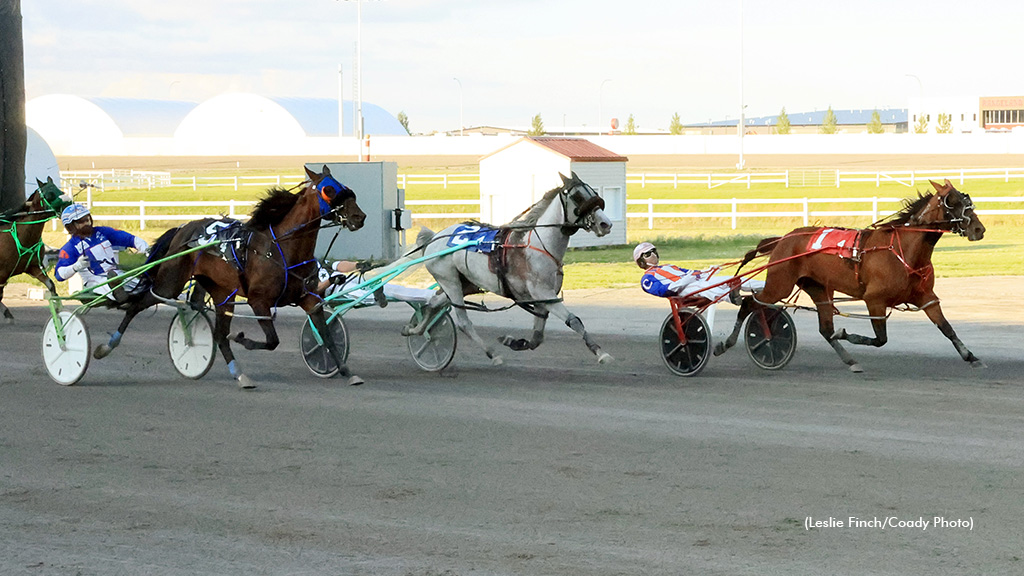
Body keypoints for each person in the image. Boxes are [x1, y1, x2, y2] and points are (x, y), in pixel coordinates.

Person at [54, 204, 150, 302]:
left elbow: (130, 239)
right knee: (106, 283)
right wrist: (76, 266)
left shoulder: (103, 232)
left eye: (87, 219)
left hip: (117, 273)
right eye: (81, 221)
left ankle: (123, 289)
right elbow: (59, 275)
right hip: (95, 280)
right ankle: (117, 292)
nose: (86, 223)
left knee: (143, 285)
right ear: (71, 226)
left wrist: (146, 250)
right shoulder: (69, 248)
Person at [633, 241, 763, 303]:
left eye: (654, 251)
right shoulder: (647, 279)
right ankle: (731, 297)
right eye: (648, 254)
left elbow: (693, 273)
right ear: (641, 262)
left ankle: (765, 286)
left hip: (695, 282)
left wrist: (709, 271)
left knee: (731, 278)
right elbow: (666, 290)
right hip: (683, 291)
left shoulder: (669, 266)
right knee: (703, 286)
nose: (653, 255)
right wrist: (688, 279)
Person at [316, 259, 437, 306]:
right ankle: (375, 296)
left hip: (349, 278)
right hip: (335, 290)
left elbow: (338, 265)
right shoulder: (303, 272)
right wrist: (331, 281)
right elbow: (316, 290)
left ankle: (432, 295)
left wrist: (358, 265)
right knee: (359, 294)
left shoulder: (318, 260)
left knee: (390, 288)